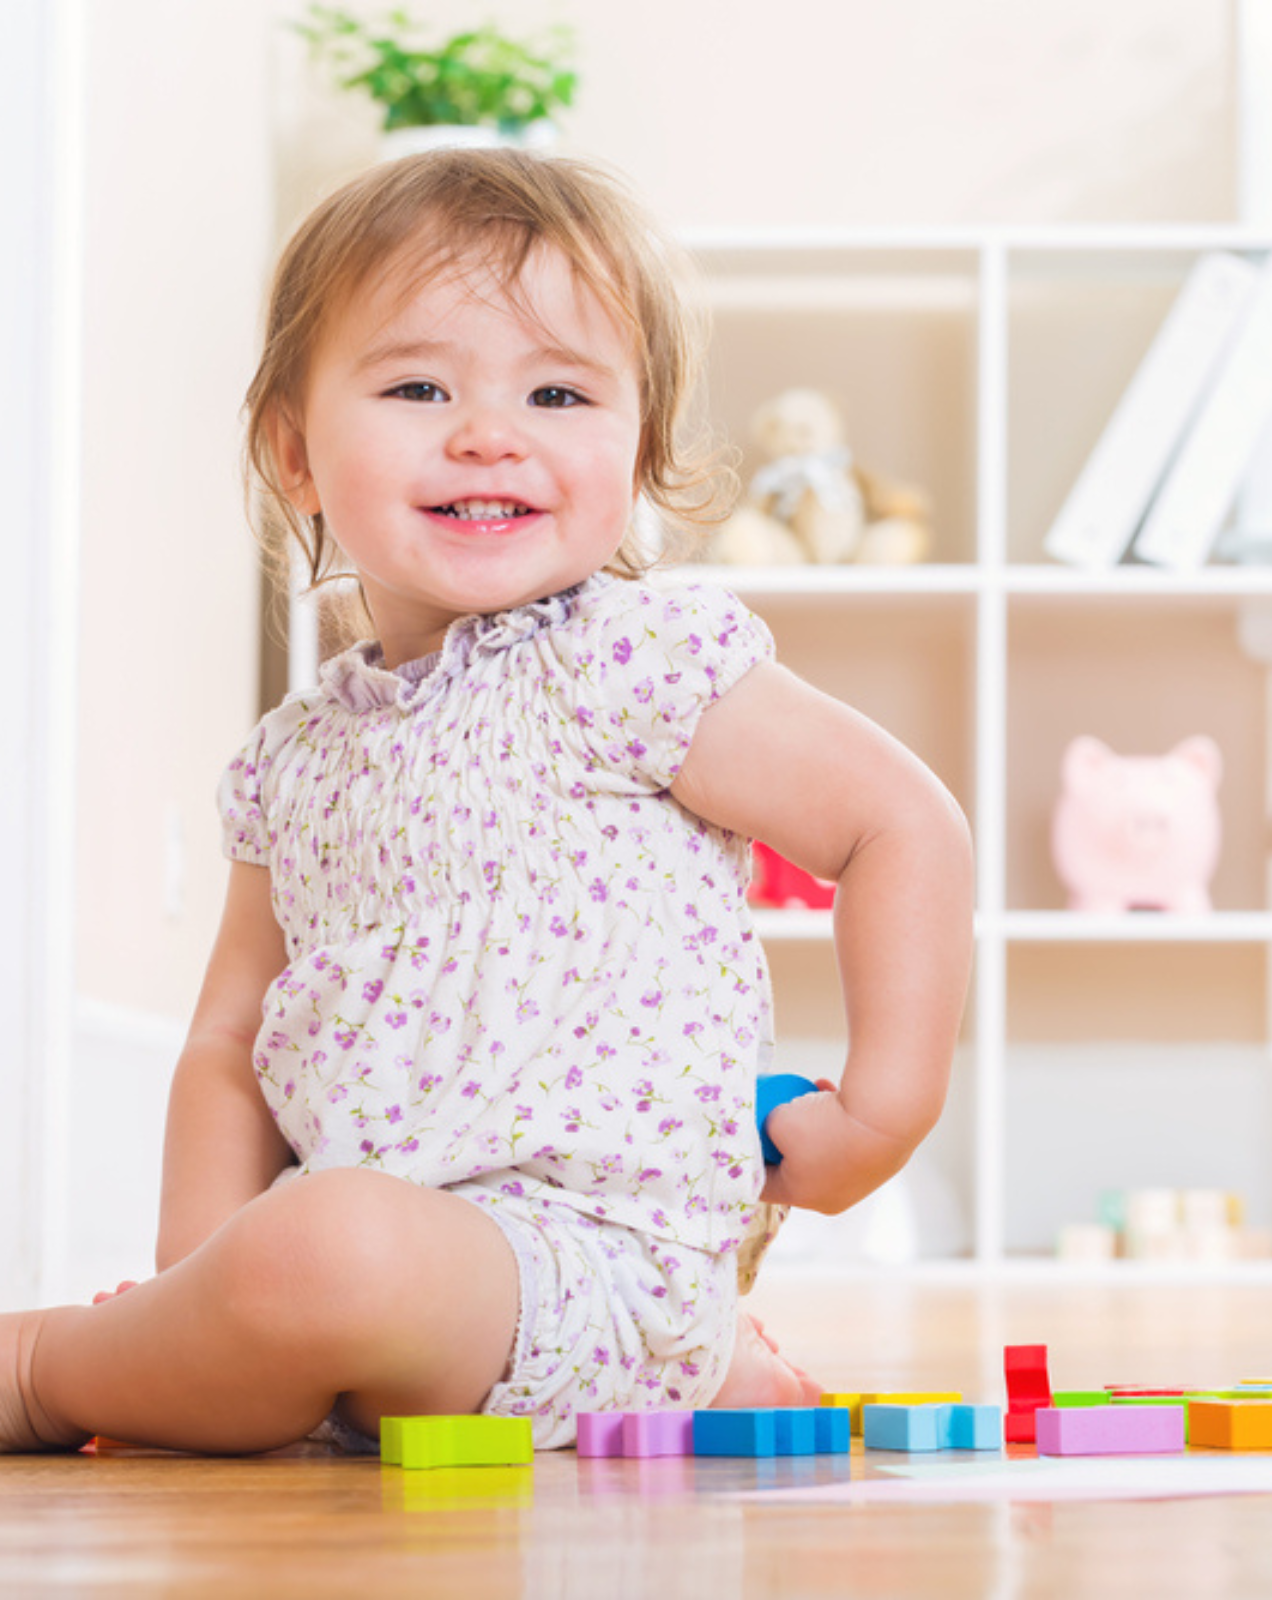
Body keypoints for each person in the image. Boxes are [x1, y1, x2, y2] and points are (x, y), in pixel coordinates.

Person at [0, 149, 973, 1456]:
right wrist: (202, 1289)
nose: (488, 433)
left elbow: (900, 825)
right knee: (317, 1244)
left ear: (638, 450)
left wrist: (880, 1113)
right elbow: (231, 1044)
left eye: (558, 392)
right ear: (296, 452)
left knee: (327, 1245)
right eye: (417, 386)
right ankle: (284, 1348)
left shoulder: (629, 662)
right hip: (379, 1279)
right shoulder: (291, 761)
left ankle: (46, 1370)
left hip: (591, 1260)